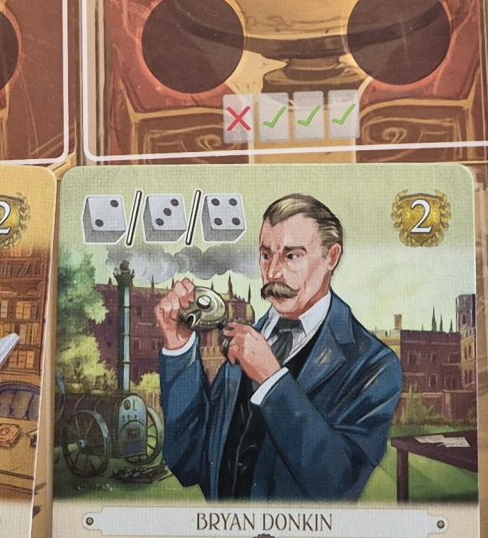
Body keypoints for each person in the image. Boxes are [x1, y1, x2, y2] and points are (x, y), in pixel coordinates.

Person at [155, 193, 402, 502]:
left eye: (291, 256)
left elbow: (338, 486)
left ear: (332, 256)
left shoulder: (374, 364)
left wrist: (272, 380)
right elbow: (189, 463)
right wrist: (179, 346)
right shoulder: (244, 340)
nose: (272, 273)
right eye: (265, 255)